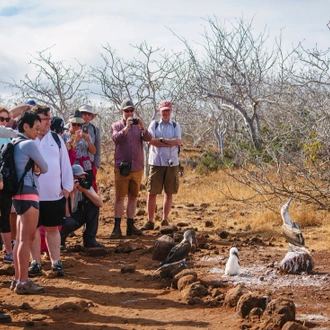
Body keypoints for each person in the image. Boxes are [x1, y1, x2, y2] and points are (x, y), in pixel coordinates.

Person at [29, 105, 73, 277]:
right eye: (44, 118)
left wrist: (67, 187)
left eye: (49, 118)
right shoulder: (28, 139)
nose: (48, 122)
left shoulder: (56, 138)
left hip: (54, 195)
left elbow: (65, 165)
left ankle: (56, 262)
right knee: (33, 230)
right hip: (32, 194)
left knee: (52, 229)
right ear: (35, 121)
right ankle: (36, 262)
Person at [11, 111, 48, 294]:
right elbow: (45, 167)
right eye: (35, 128)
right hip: (30, 195)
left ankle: (17, 278)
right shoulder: (29, 144)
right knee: (27, 240)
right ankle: (24, 281)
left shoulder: (14, 143)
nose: (37, 132)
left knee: (19, 240)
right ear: (25, 126)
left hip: (17, 196)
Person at [109, 98, 152, 238]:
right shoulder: (116, 125)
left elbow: (149, 138)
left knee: (133, 197)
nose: (129, 113)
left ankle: (130, 225)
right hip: (122, 168)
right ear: (121, 111)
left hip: (137, 167)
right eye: (126, 111)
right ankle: (116, 228)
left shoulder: (138, 125)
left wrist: (142, 127)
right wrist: (126, 128)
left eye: (131, 111)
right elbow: (116, 139)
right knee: (120, 197)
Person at [140, 100, 181, 230]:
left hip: (172, 163)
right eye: (163, 110)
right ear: (159, 111)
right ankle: (150, 221)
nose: (166, 113)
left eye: (168, 110)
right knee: (152, 192)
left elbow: (177, 141)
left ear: (171, 110)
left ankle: (164, 220)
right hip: (156, 163)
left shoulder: (175, 125)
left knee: (169, 192)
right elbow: (150, 140)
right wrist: (168, 142)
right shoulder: (154, 124)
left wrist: (161, 140)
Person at [60, 165, 104, 248]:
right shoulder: (63, 187)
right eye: (78, 177)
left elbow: (100, 203)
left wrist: (84, 190)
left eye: (83, 176)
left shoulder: (84, 186)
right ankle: (59, 240)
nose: (81, 179)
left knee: (93, 206)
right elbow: (67, 213)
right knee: (69, 222)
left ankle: (90, 240)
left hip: (76, 216)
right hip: (64, 218)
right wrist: (71, 193)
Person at [62, 110, 96, 186]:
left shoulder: (85, 134)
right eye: (74, 124)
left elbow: (93, 152)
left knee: (87, 191)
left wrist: (89, 141)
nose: (77, 126)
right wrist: (74, 141)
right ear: (69, 123)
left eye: (79, 124)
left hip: (86, 167)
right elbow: (63, 152)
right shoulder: (64, 135)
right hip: (72, 168)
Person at [0, 106, 15, 263]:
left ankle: (9, 251)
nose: (3, 122)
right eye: (1, 119)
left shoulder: (10, 136)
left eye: (6, 119)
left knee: (5, 216)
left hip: (5, 183)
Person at [78, 105, 101, 192]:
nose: (86, 116)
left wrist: (96, 166)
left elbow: (97, 151)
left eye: (88, 114)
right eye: (84, 113)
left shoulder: (95, 129)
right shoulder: (72, 125)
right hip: (75, 163)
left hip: (90, 165)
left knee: (90, 189)